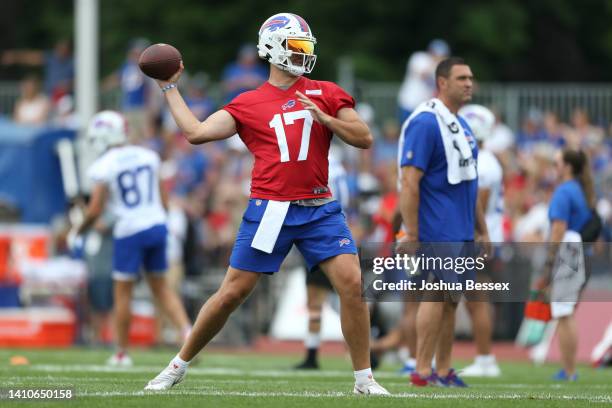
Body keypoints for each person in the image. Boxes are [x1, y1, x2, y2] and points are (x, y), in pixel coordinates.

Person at [144, 13, 389, 395]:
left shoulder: (325, 91)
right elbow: (196, 132)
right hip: (271, 209)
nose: (303, 55)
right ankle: (177, 365)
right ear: (273, 49)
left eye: (306, 47)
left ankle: (364, 380)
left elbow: (364, 136)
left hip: (319, 208)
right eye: (296, 46)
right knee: (231, 294)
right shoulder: (249, 103)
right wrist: (169, 89)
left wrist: (326, 118)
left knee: (353, 284)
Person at [70, 110, 192, 366]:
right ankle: (188, 334)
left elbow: (95, 209)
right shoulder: (148, 155)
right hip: (157, 225)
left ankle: (122, 352)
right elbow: (164, 200)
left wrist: (78, 230)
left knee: (122, 292)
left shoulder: (104, 165)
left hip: (129, 231)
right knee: (161, 288)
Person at [397, 57, 490, 387]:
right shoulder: (425, 122)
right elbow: (409, 181)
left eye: (471, 77)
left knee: (451, 301)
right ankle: (422, 371)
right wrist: (410, 231)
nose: (469, 83)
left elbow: (472, 183)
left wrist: (482, 228)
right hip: (437, 225)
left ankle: (445, 370)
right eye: (461, 77)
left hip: (462, 227)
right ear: (442, 83)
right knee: (435, 293)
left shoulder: (461, 125)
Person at [457, 104, 503, 377]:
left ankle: (486, 358)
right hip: (484, 236)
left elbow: (479, 206)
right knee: (476, 299)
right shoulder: (485, 159)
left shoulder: (483, 162)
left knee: (477, 299)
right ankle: (485, 357)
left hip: (480, 238)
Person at [294, 148, 350, 370]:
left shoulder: (317, 163)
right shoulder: (338, 167)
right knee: (347, 297)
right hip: (334, 230)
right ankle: (358, 354)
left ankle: (312, 355)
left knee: (318, 302)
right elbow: (346, 200)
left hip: (317, 230)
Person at [545, 148, 597, 381]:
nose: (554, 168)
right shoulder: (579, 189)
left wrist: (549, 261)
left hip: (568, 249)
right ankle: (569, 369)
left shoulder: (564, 191)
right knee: (565, 310)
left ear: (567, 167)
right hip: (579, 250)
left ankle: (569, 370)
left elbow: (558, 227)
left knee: (563, 312)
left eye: (556, 163)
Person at [397, 39, 450, 124]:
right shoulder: (419, 58)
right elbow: (422, 75)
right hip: (409, 104)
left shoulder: (440, 66)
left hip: (424, 107)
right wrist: (436, 62)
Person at [2, 39, 74, 98]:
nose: (61, 51)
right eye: (59, 48)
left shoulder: (73, 62)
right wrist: (15, 57)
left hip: (66, 99)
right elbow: (32, 58)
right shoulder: (51, 58)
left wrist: (69, 84)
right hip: (49, 97)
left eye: (63, 49)